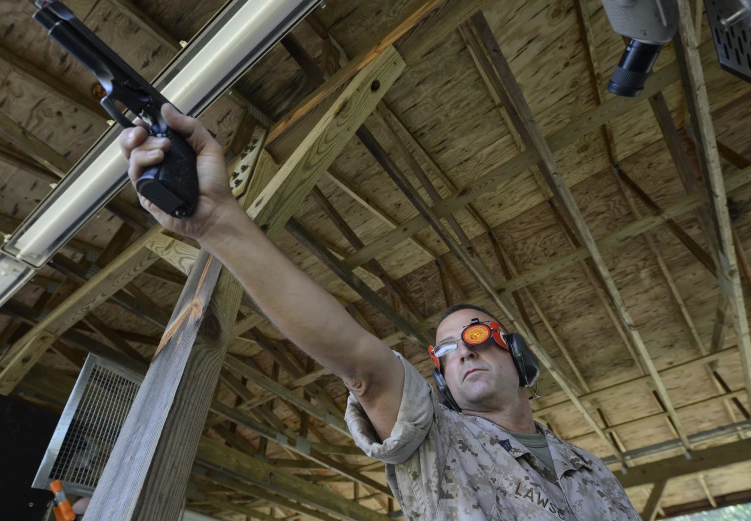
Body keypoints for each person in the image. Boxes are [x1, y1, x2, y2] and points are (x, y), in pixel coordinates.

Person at [120, 105, 642, 521]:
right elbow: (362, 368)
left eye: (478, 333)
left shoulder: (593, 470)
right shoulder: (437, 441)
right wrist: (217, 224)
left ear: (517, 353)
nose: (461, 350)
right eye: (443, 350)